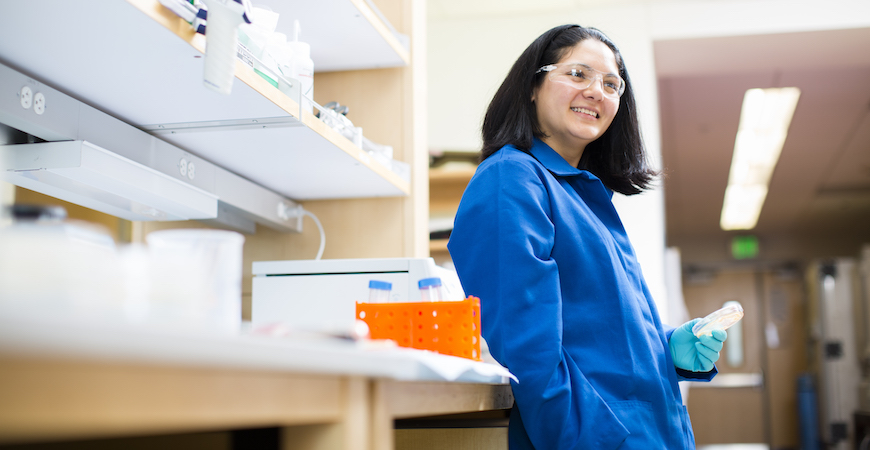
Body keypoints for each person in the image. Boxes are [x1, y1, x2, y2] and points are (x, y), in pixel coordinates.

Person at [447, 24, 728, 449]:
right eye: (578, 74)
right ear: (532, 87)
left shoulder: (582, 192)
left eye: (612, 84)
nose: (598, 91)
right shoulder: (512, 179)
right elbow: (527, 353)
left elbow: (598, 330)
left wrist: (667, 345)